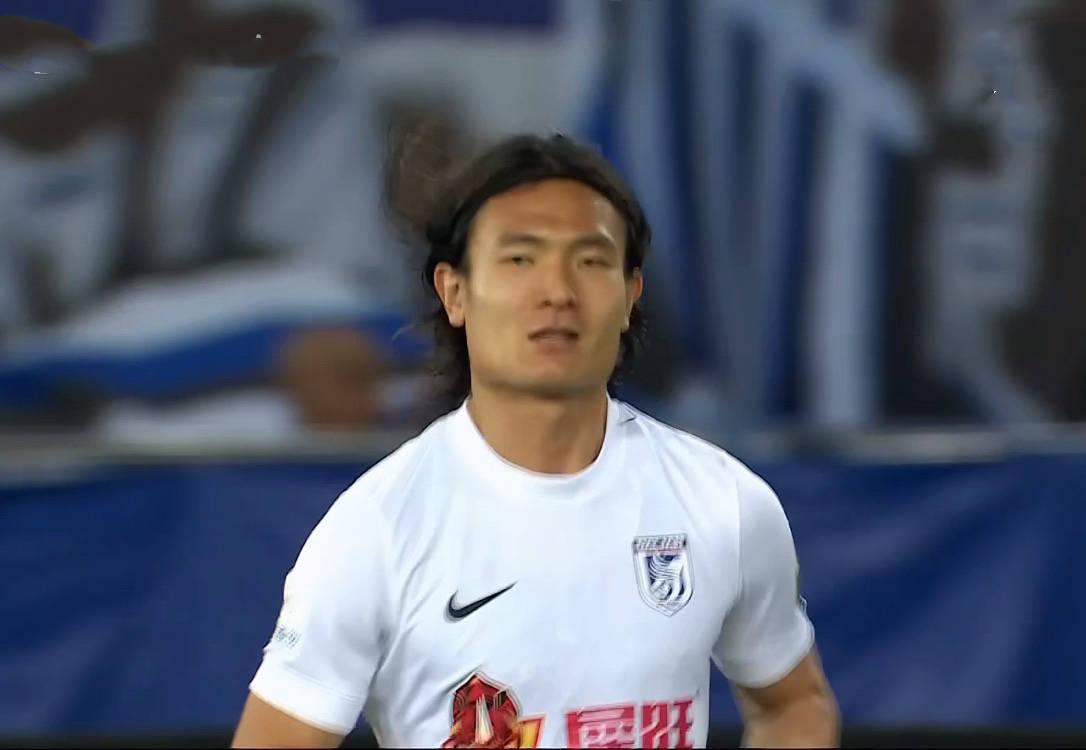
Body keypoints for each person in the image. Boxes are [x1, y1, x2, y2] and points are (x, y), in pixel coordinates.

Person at [231, 134, 840, 749]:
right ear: (454, 292)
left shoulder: (724, 502)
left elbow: (794, 705)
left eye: (590, 261)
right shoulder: (377, 530)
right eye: (520, 259)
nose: (557, 292)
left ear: (630, 296)